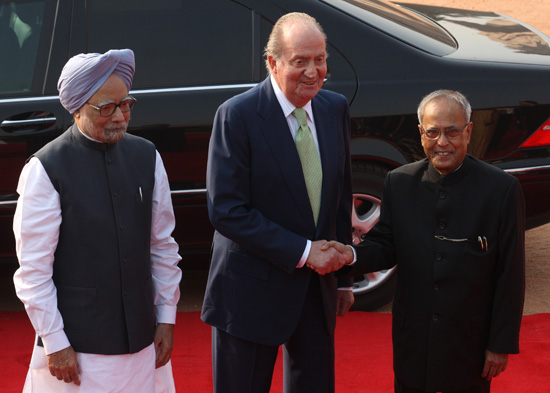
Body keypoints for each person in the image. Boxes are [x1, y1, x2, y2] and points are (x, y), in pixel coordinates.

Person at [325, 89, 526, 393]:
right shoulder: (400, 182)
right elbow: (385, 246)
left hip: (469, 344)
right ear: (421, 134)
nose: (442, 143)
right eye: (433, 132)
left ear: (468, 132)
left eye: (452, 132)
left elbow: (510, 273)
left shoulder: (501, 190)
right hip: (413, 341)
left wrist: (500, 343)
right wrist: (349, 256)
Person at [201, 12, 354, 393]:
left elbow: (340, 193)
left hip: (316, 291)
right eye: (300, 61)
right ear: (272, 62)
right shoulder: (237, 116)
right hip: (250, 292)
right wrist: (304, 252)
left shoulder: (334, 108)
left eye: (319, 60)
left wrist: (343, 279)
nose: (313, 71)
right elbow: (226, 210)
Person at [13, 49, 182, 392]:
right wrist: (55, 340)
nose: (120, 116)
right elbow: (33, 270)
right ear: (76, 108)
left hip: (140, 341)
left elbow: (162, 246)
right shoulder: (46, 169)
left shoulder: (147, 156)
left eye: (126, 104)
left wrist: (166, 317)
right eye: (106, 108)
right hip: (77, 349)